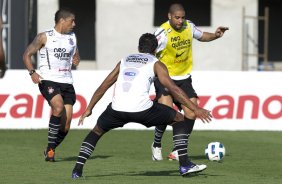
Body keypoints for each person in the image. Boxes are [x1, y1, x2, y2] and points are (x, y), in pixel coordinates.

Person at [71, 33, 212, 179]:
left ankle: (77, 170)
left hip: (116, 109)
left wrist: (89, 108)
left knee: (96, 131)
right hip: (142, 110)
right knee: (179, 118)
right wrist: (195, 108)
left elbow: (104, 85)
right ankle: (184, 164)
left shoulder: (124, 60)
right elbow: (173, 89)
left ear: (138, 47)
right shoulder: (156, 63)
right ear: (155, 49)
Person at [151, 3, 228, 162]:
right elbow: (149, 52)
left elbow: (202, 36)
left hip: (184, 78)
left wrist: (216, 35)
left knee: (192, 112)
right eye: (177, 17)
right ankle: (156, 144)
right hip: (165, 79)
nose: (180, 21)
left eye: (182, 17)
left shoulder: (189, 26)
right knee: (166, 113)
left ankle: (178, 150)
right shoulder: (162, 33)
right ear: (169, 16)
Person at [23, 8, 80, 162]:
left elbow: (76, 55)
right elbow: (26, 55)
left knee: (66, 126)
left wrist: (76, 60)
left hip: (67, 81)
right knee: (58, 107)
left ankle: (50, 148)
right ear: (62, 20)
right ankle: (50, 153)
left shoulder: (72, 37)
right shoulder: (44, 37)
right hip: (48, 79)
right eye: (71, 21)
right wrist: (32, 72)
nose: (74, 24)